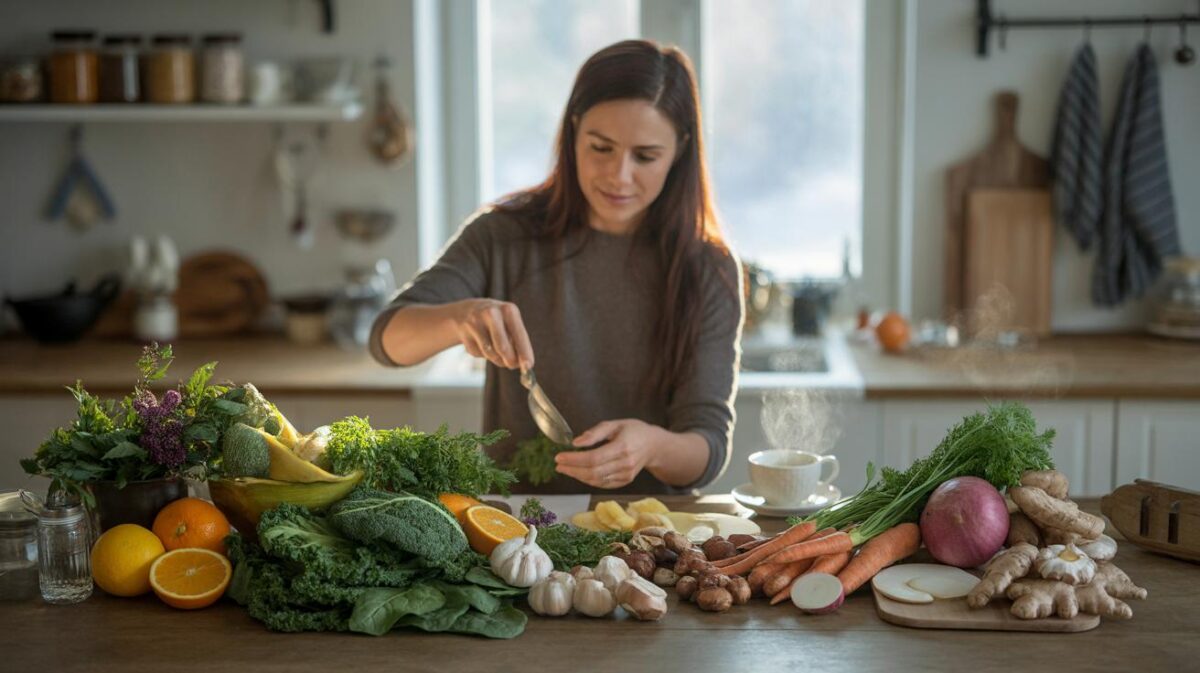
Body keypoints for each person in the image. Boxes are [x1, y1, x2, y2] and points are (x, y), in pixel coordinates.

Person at [369, 39, 743, 494]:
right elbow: (386, 340)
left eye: (645, 156)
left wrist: (652, 448)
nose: (618, 175)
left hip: (650, 538)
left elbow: (707, 447)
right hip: (516, 532)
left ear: (680, 150)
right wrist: (457, 318)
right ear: (573, 130)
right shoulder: (503, 235)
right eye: (601, 147)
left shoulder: (709, 269)